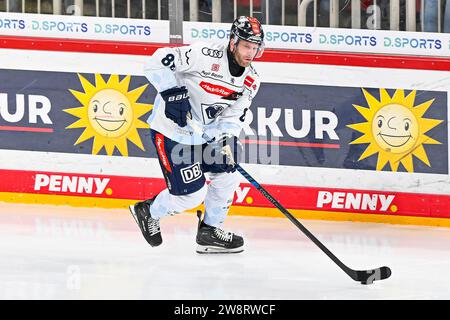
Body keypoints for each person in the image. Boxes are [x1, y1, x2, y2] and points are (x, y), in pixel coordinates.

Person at [129, 16, 264, 254]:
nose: (250, 53)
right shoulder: (205, 53)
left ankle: (209, 231)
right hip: (172, 132)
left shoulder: (251, 80)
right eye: (246, 46)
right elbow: (156, 61)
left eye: (255, 47)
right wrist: (172, 92)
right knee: (191, 197)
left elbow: (234, 115)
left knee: (228, 175)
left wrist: (226, 138)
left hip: (205, 135)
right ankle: (147, 211)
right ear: (233, 42)